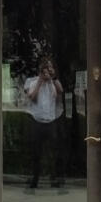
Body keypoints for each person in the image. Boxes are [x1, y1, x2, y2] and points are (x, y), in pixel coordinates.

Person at [20, 49, 69, 190]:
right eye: (45, 68)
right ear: (40, 70)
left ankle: (55, 179)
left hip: (51, 122)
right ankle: (34, 179)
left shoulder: (54, 83)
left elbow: (60, 91)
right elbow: (31, 97)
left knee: (54, 152)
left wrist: (52, 79)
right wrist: (41, 81)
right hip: (36, 121)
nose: (47, 70)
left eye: (50, 67)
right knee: (36, 152)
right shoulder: (32, 81)